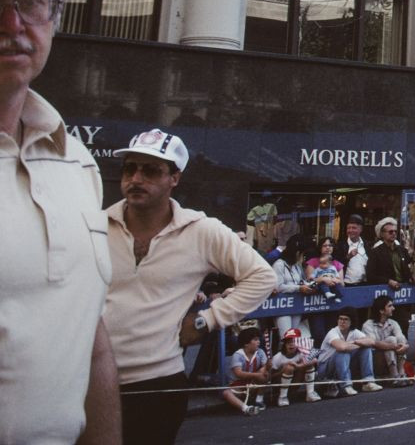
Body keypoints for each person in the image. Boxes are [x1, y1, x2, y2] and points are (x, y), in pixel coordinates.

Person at [0, 0, 120, 445]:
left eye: (31, 3)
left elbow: (91, 342)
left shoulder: (79, 163)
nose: (13, 26)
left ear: (54, 17)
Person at [105, 127, 278, 445]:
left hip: (158, 383)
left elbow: (262, 276)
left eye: (151, 170)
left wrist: (207, 319)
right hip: (91, 380)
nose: (136, 178)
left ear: (175, 178)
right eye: (130, 168)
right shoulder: (97, 225)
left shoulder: (200, 230)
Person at [317, 311, 384, 396]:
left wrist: (356, 342)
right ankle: (346, 386)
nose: (342, 322)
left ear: (351, 322)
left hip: (342, 365)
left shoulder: (354, 331)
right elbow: (342, 347)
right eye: (340, 319)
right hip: (325, 370)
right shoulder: (333, 332)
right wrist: (357, 344)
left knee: (366, 348)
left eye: (345, 319)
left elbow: (371, 341)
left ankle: (368, 382)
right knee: (343, 351)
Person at [272, 233, 315, 339]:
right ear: (296, 252)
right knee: (287, 337)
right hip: (282, 306)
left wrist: (310, 284)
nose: (303, 257)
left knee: (294, 336)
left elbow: (301, 281)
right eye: (302, 254)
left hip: (296, 304)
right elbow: (278, 286)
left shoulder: (297, 266)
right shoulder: (279, 264)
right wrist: (299, 288)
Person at [363, 294, 412, 385]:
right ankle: (395, 376)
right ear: (381, 310)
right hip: (376, 362)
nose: (393, 308)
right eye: (390, 306)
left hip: (393, 357)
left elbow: (401, 338)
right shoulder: (368, 325)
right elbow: (374, 343)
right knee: (391, 340)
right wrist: (393, 345)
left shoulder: (393, 323)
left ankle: (401, 373)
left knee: (399, 338)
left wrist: (405, 346)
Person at [223, 325, 271, 416]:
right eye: (255, 340)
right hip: (238, 384)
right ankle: (246, 408)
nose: (258, 342)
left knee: (264, 373)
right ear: (246, 344)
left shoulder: (260, 352)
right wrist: (257, 375)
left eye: (258, 339)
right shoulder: (238, 355)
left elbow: (265, 369)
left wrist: (268, 367)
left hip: (252, 382)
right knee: (226, 393)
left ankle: (259, 400)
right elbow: (239, 373)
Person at [269, 328, 320, 406]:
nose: (291, 344)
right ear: (284, 344)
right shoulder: (278, 357)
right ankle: (283, 397)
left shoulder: (302, 352)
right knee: (289, 367)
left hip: (295, 384)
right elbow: (270, 377)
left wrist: (298, 366)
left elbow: (315, 360)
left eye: (293, 341)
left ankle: (310, 393)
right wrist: (283, 370)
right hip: (279, 387)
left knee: (308, 364)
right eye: (288, 342)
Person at [367, 215, 415, 291]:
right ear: (382, 234)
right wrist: (388, 281)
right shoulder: (375, 252)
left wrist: (410, 277)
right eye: (390, 232)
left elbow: (407, 269)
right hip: (385, 291)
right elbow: (370, 276)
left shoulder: (402, 250)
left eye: (395, 231)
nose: (394, 233)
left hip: (403, 290)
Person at [305, 235, 346, 303]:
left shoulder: (337, 264)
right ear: (320, 248)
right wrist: (322, 279)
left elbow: (342, 284)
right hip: (314, 299)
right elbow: (309, 281)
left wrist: (334, 280)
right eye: (324, 245)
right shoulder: (312, 262)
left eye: (330, 245)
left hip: (332, 300)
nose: (327, 247)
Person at [339, 214, 369, 285]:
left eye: (354, 228)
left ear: (360, 229)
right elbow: (336, 264)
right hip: (347, 284)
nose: (350, 230)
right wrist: (348, 257)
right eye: (348, 228)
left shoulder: (366, 244)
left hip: (364, 284)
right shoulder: (341, 245)